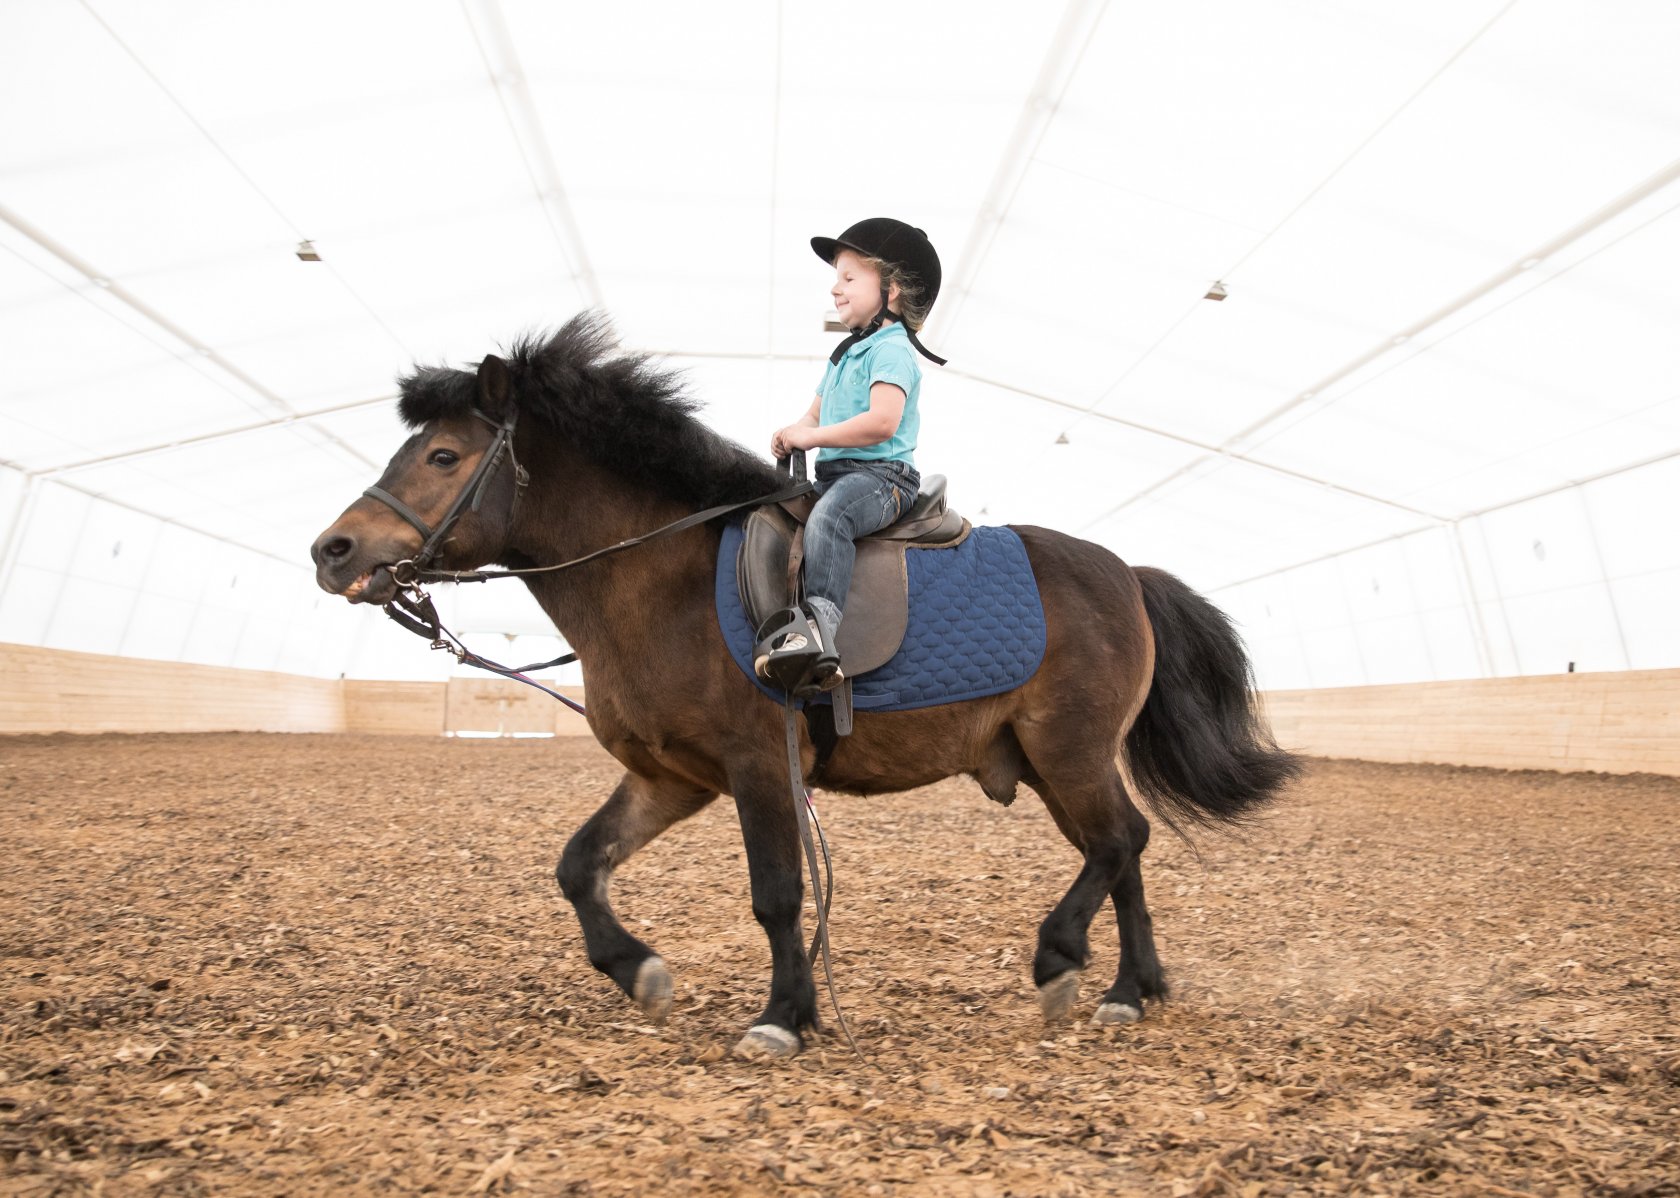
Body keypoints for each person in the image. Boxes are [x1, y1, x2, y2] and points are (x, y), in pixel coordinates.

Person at [756, 218, 947, 695]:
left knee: (831, 517)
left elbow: (882, 422)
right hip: (837, 471)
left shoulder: (893, 351)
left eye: (848, 277)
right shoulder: (844, 355)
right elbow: (813, 416)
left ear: (892, 289)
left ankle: (818, 631)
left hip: (884, 477)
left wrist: (811, 436)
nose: (835, 289)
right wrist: (793, 433)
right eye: (836, 279)